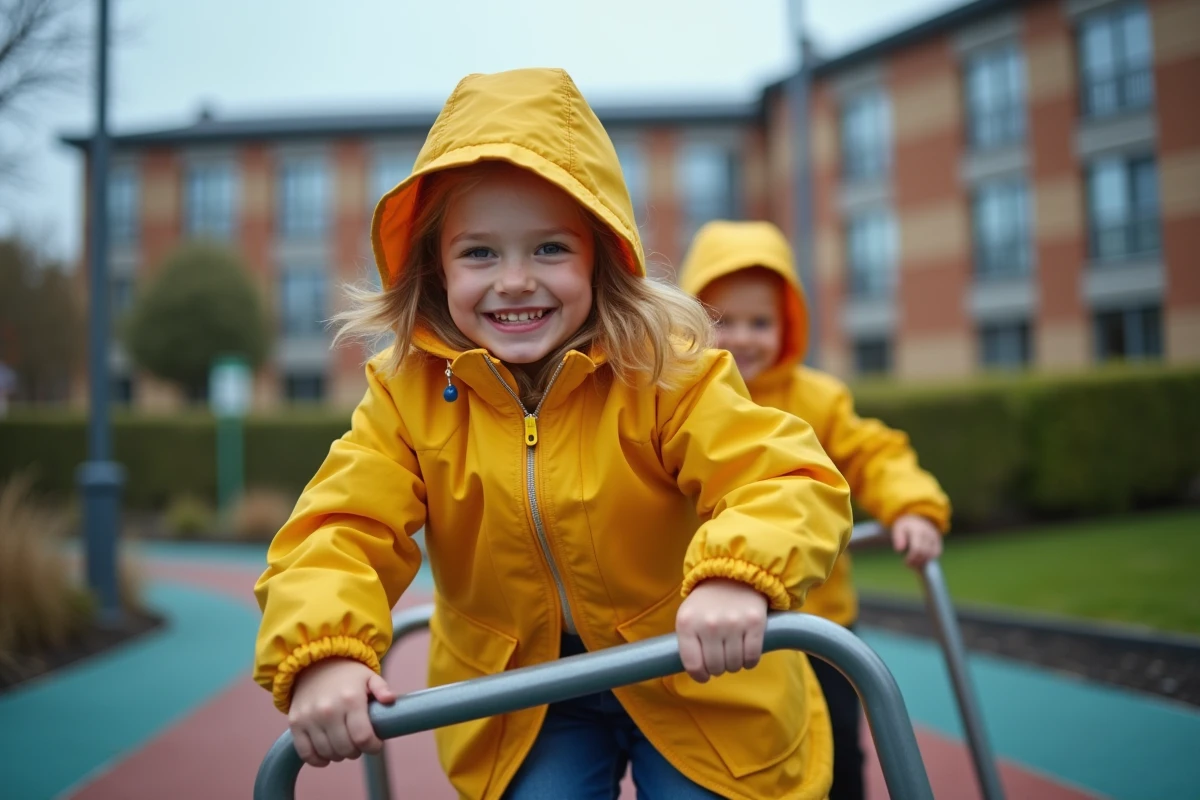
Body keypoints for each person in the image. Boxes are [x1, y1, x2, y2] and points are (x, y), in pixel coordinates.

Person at [253, 68, 854, 800]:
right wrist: (323, 651)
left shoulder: (664, 371)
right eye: (480, 253)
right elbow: (339, 529)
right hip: (526, 697)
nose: (513, 281)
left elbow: (784, 477)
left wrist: (736, 574)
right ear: (435, 269)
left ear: (602, 255)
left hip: (694, 664)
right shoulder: (407, 395)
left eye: (549, 250)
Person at [678, 219, 952, 800]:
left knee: (839, 756)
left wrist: (911, 508)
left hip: (818, 621)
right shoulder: (681, 397)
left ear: (789, 324)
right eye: (724, 321)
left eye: (762, 322)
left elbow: (874, 452)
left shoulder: (816, 399)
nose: (745, 338)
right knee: (741, 763)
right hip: (723, 621)